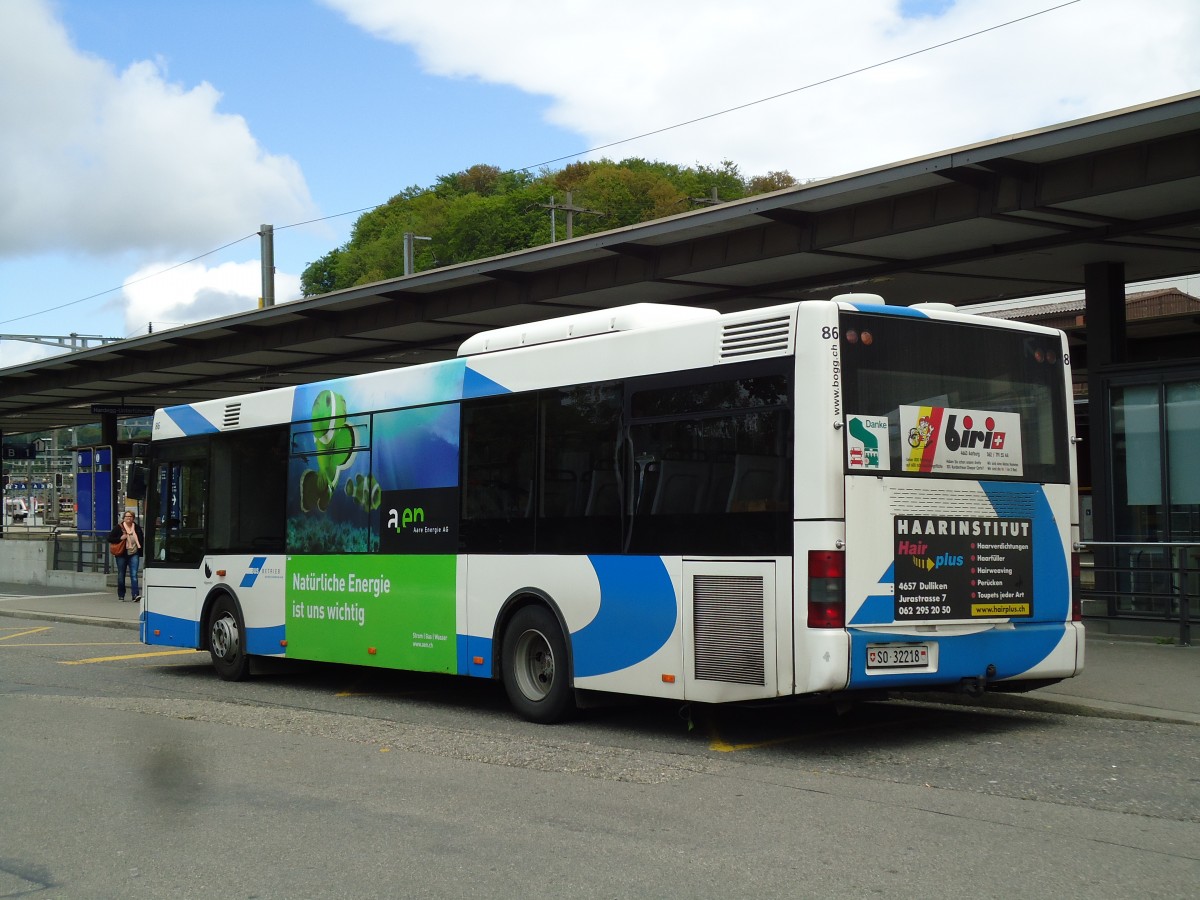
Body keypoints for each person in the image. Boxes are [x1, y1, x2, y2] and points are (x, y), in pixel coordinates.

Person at [107, 511, 145, 602]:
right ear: (124, 518)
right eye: (127, 516)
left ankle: (135, 595)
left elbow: (141, 539)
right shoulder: (118, 528)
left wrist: (140, 551)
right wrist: (120, 538)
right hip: (121, 554)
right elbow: (109, 538)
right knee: (121, 574)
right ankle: (121, 595)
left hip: (134, 553)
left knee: (134, 574)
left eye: (131, 516)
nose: (129, 518)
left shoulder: (137, 528)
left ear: (133, 518)